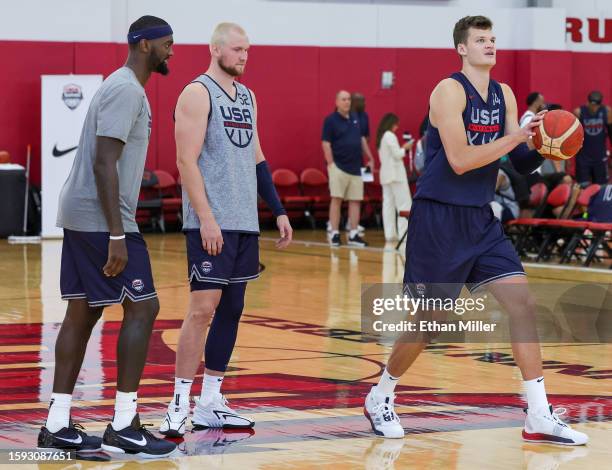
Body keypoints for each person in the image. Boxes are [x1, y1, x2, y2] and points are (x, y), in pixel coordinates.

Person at [363, 15, 588, 446]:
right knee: (430, 323)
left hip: (480, 219)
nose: (489, 45)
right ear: (462, 48)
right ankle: (381, 394)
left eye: (492, 39)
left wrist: (543, 145)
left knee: (521, 304)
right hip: (439, 219)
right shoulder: (447, 91)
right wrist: (516, 138)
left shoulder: (503, 93)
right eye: (480, 39)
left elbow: (511, 161)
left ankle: (538, 414)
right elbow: (462, 160)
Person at [39, 16, 177, 458]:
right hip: (103, 220)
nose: (171, 51)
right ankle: (123, 423)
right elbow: (104, 162)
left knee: (83, 312)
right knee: (143, 305)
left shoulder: (124, 86)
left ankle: (58, 423)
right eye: (165, 44)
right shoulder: (125, 89)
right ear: (142, 45)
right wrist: (118, 231)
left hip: (84, 214)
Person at [159, 23, 292, 437]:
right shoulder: (197, 93)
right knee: (202, 310)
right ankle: (178, 404)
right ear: (215, 49)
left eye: (247, 51)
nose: (244, 57)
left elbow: (257, 159)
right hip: (210, 223)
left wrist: (280, 211)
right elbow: (186, 161)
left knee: (232, 310)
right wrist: (206, 218)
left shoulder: (248, 96)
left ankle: (210, 402)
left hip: (244, 224)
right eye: (237, 50)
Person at [322, 91, 374, 247]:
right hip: (338, 167)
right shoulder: (330, 120)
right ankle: (335, 233)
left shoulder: (356, 119)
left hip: (356, 168)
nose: (347, 102)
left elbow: (361, 139)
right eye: (343, 99)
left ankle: (353, 234)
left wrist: (370, 157)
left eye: (348, 99)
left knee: (355, 201)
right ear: (337, 102)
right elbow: (325, 143)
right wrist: (331, 164)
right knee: (336, 200)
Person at [376, 113, 413, 241]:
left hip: (385, 175)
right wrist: (406, 148)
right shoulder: (390, 135)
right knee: (404, 204)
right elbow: (397, 155)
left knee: (388, 205)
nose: (397, 127)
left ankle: (390, 234)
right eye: (396, 124)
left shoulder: (381, 137)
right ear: (391, 124)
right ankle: (404, 234)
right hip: (396, 175)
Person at [573, 91, 612, 185]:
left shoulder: (607, 111)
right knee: (582, 187)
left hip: (600, 156)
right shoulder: (578, 112)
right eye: (592, 105)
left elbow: (611, 133)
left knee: (601, 187)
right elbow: (572, 135)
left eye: (596, 105)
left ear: (600, 104)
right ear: (588, 102)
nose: (594, 108)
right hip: (583, 157)